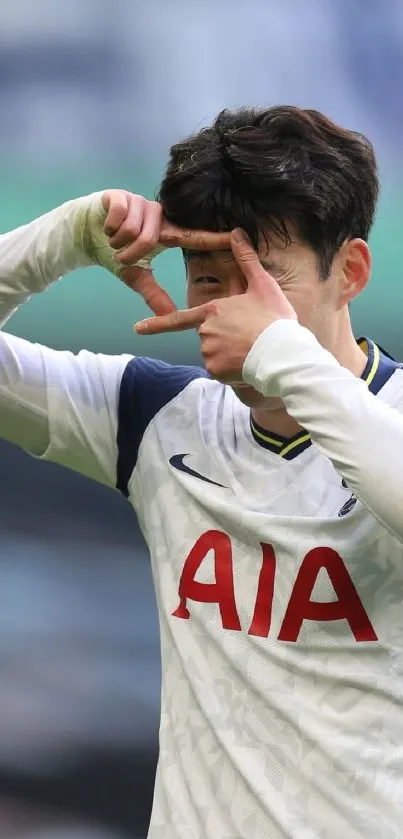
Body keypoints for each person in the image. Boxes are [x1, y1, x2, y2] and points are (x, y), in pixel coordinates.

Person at [0, 105, 403, 839]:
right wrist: (56, 242)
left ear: (348, 272)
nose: (225, 309)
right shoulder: (156, 416)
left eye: (263, 279)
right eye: (207, 275)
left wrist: (278, 352)